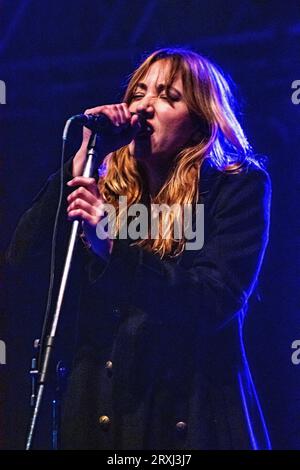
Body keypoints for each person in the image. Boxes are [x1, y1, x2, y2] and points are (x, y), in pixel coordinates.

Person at [7, 48, 272, 450]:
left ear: (200, 120)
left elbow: (214, 297)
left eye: (168, 97)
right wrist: (79, 165)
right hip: (100, 411)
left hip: (187, 412)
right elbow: (23, 259)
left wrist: (114, 242)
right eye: (139, 93)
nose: (145, 107)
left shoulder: (234, 185)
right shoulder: (104, 183)